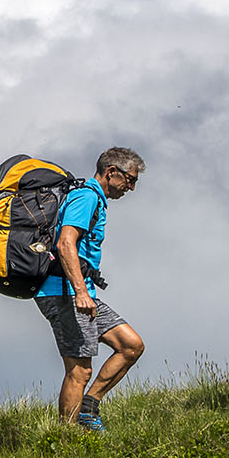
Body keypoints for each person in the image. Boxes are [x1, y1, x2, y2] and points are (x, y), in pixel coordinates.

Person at [35, 150, 145, 432]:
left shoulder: (93, 198)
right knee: (79, 370)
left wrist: (85, 291)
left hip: (81, 292)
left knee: (130, 346)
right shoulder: (86, 197)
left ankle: (88, 408)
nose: (131, 188)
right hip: (65, 293)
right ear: (111, 172)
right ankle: (66, 439)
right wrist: (80, 291)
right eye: (130, 180)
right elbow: (65, 244)